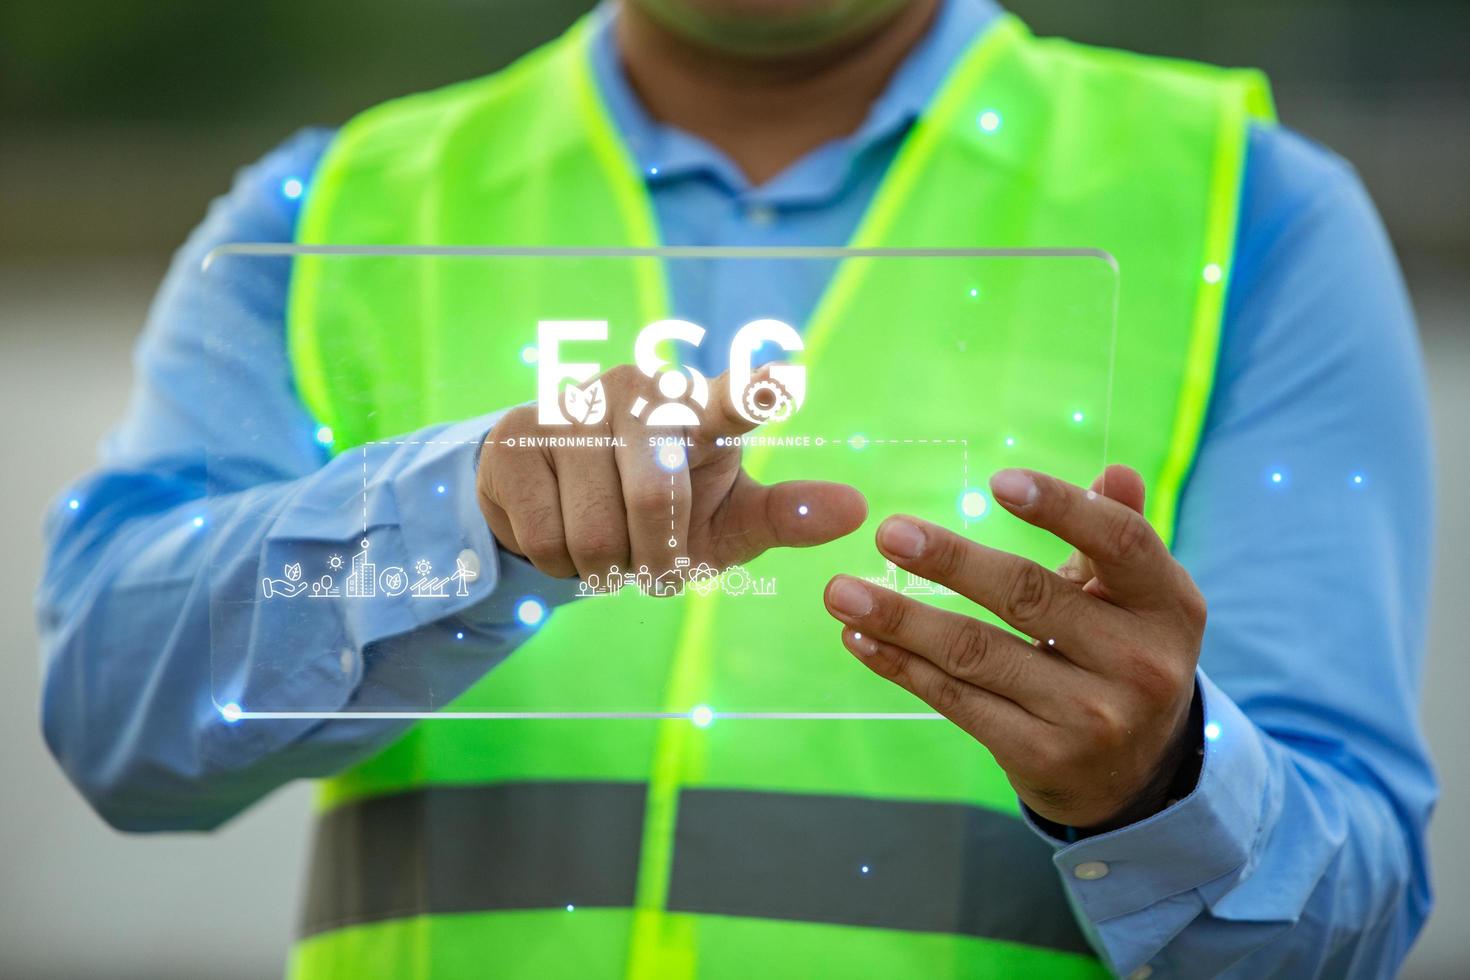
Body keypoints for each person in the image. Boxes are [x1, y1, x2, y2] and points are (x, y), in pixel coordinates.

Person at [38, 0, 1435, 977]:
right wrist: (452, 513)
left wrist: (1161, 786)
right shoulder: (334, 208)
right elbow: (110, 724)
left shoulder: (1255, 215)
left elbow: (1350, 924)